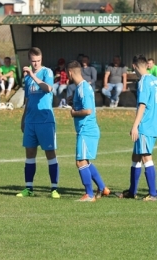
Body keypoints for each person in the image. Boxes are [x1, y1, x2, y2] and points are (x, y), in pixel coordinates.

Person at [16, 47, 60, 199]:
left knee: (50, 154)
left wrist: (33, 75)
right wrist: (23, 118)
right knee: (29, 154)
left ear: (41, 59)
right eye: (33, 61)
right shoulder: (27, 78)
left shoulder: (47, 72)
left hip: (45, 120)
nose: (35, 64)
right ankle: (28, 187)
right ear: (29, 60)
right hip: (31, 121)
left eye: (38, 61)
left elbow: (48, 88)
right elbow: (28, 99)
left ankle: (54, 188)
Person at [66, 60, 110, 202]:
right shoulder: (82, 87)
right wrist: (73, 102)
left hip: (87, 130)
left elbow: (88, 110)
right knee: (85, 161)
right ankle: (103, 188)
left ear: (70, 72)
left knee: (80, 162)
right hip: (87, 130)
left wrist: (74, 113)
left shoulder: (83, 88)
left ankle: (89, 194)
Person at [117, 55, 157, 201]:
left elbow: (142, 105)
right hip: (153, 123)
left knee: (146, 157)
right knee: (136, 156)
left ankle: (153, 193)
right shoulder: (155, 80)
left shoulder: (143, 82)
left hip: (145, 125)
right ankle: (132, 191)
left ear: (133, 67)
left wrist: (135, 126)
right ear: (147, 65)